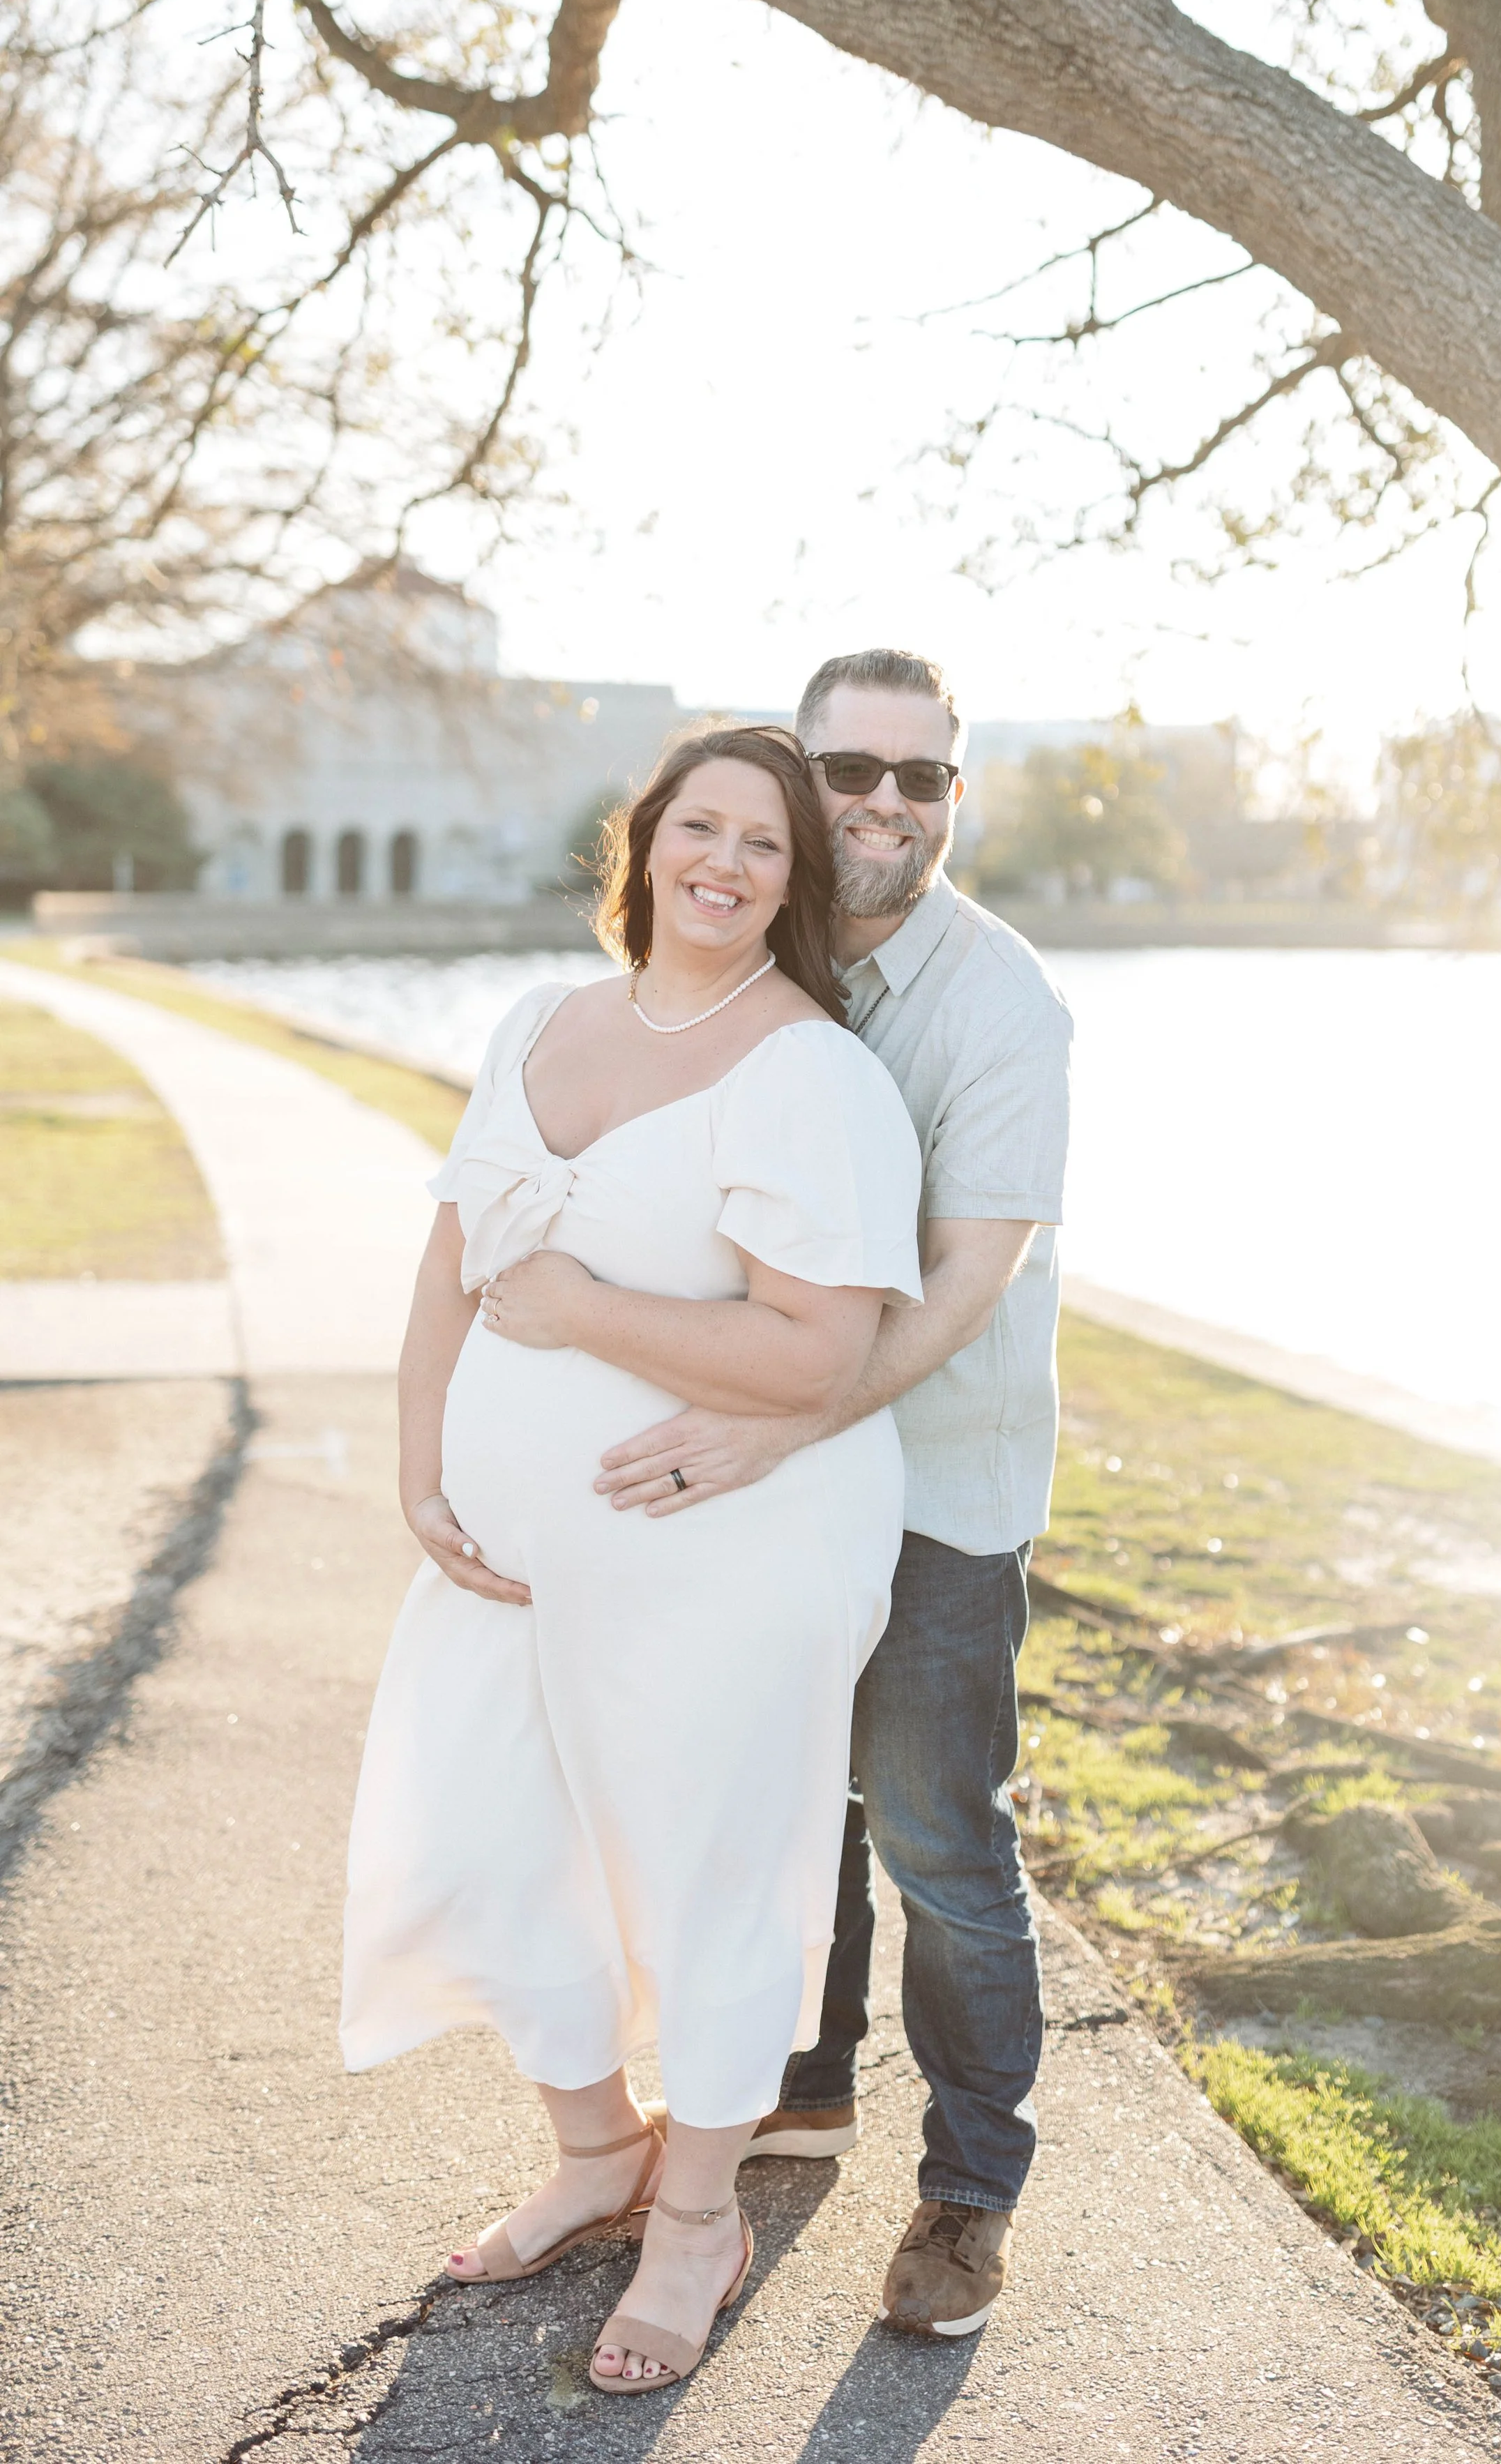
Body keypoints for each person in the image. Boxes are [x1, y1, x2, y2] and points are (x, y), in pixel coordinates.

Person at [340, 723, 923, 2396]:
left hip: (729, 1548)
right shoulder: (540, 1020)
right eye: (702, 826)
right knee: (494, 1830)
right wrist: (419, 1464)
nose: (725, 862)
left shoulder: (807, 1072)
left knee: (709, 1862)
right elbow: (452, 1258)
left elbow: (819, 1355)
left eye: (765, 846)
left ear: (794, 885)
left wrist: (584, 1309)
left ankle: (695, 2222)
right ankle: (594, 2155)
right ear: (646, 838)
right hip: (510, 1543)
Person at [596, 649, 1073, 2338]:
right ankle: (799, 2086)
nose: (883, 803)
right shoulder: (758, 953)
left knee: (940, 1839)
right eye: (848, 771)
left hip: (934, 1482)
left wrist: (785, 1420)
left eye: (921, 779)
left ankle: (966, 2197)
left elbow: (960, 1289)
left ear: (958, 795)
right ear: (795, 782)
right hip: (776, 1479)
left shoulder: (999, 1002)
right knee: (801, 1799)